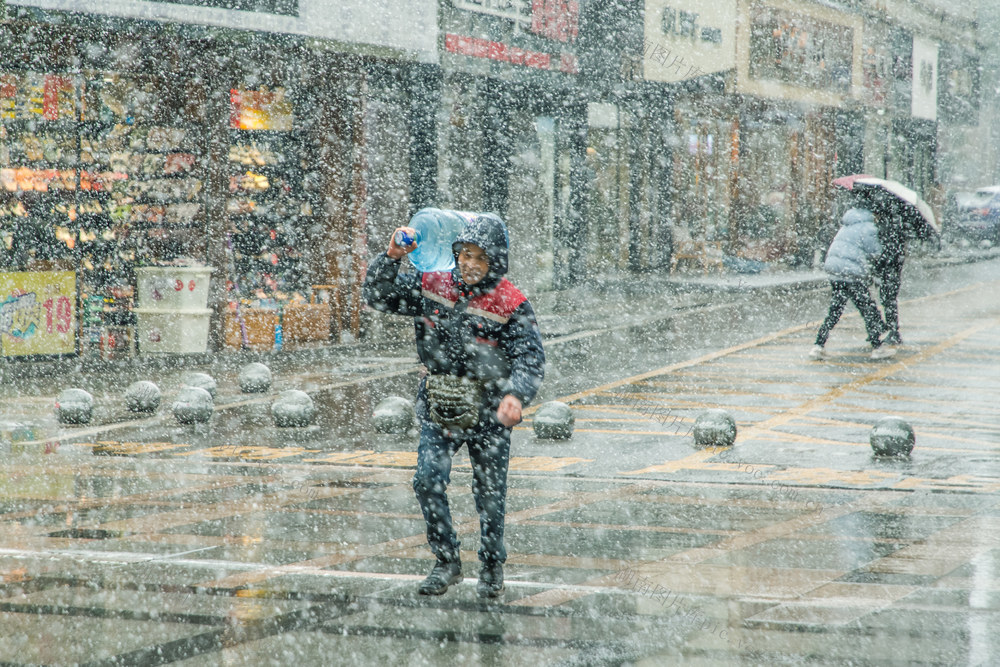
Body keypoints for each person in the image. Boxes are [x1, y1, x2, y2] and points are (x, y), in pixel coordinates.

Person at [362, 212, 545, 598]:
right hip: (440, 400)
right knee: (427, 479)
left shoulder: (513, 302)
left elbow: (530, 359)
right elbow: (377, 297)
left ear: (496, 260)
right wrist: (392, 256)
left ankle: (492, 565)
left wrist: (516, 395)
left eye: (480, 257)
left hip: (490, 407)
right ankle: (446, 562)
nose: (470, 264)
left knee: (490, 493)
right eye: (464, 254)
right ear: (454, 253)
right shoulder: (432, 282)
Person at [809, 204, 897, 361]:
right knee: (868, 309)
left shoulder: (847, 225)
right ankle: (877, 347)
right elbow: (874, 252)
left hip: (835, 270)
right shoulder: (868, 227)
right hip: (851, 272)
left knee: (835, 310)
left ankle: (818, 346)